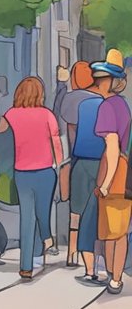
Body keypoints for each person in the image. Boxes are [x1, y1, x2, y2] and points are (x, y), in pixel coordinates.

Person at [0, 76, 62, 280]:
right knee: (43, 213)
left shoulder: (10, 115)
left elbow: (0, 134)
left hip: (21, 172)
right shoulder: (47, 114)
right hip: (45, 171)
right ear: (39, 94)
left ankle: (28, 264)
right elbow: (56, 142)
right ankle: (46, 238)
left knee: (28, 216)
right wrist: (58, 163)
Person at [93, 52, 132, 294]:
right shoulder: (123, 106)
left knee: (111, 231)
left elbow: (112, 146)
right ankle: (115, 275)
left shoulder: (107, 107)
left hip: (113, 170)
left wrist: (106, 182)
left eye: (101, 79)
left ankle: (114, 275)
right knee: (120, 231)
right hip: (126, 169)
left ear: (111, 81)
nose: (97, 83)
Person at [71, 62, 112, 284]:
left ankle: (88, 267)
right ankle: (104, 266)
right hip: (101, 164)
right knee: (99, 217)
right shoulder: (110, 106)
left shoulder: (84, 105)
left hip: (80, 164)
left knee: (80, 214)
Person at [60, 61, 99, 269]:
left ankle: (72, 252)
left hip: (77, 158)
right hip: (99, 159)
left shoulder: (70, 99)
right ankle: (93, 254)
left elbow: (67, 128)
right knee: (95, 209)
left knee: (75, 208)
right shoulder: (101, 101)